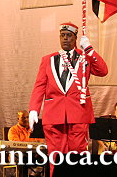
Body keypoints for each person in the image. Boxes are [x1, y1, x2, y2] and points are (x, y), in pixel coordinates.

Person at [28, 22, 108, 166]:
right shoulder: (48, 59)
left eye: (69, 35)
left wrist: (89, 49)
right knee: (55, 156)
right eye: (62, 35)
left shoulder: (84, 57)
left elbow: (103, 71)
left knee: (78, 155)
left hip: (78, 113)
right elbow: (39, 86)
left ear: (75, 38)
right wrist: (34, 109)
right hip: (54, 114)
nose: (65, 38)